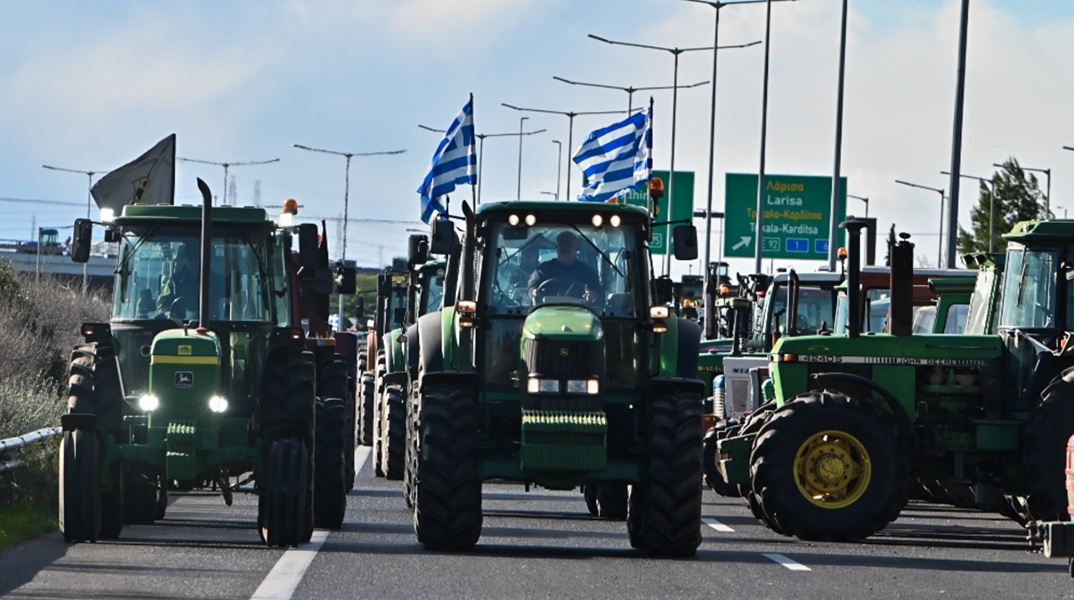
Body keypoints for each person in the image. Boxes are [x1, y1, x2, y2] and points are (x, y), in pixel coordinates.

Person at [528, 231, 603, 303]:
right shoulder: (544, 269)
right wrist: (534, 292)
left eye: (569, 243)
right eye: (562, 243)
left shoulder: (588, 272)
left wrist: (593, 295)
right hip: (546, 312)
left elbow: (599, 292)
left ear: (577, 248)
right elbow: (532, 287)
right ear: (556, 247)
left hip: (581, 312)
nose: (565, 247)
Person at [157, 242, 199, 317]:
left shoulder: (215, 281)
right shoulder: (174, 281)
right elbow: (162, 304)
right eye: (190, 258)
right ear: (185, 260)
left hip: (211, 325)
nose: (194, 262)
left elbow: (224, 302)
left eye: (197, 258)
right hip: (176, 325)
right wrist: (168, 313)